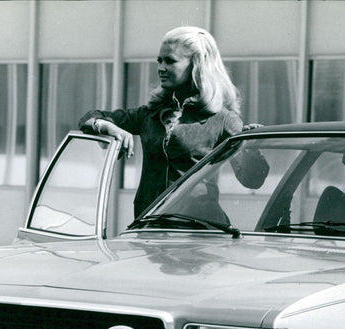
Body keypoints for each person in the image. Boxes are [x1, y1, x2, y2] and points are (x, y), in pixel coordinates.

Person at [79, 25, 267, 218]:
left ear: (197, 64)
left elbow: (252, 180)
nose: (161, 68)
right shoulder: (150, 115)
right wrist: (108, 127)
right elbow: (89, 118)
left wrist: (250, 147)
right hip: (148, 226)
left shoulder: (223, 119)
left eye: (170, 61)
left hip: (198, 231)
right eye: (159, 60)